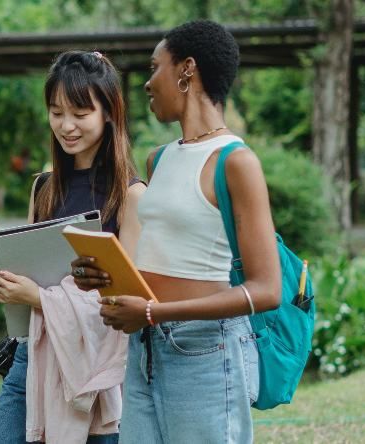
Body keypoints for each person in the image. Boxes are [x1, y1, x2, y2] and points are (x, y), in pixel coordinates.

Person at [70, 20, 282, 444]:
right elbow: (163, 260)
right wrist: (104, 280)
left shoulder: (236, 162)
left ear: (186, 70)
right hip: (146, 347)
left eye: (155, 68)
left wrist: (153, 313)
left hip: (205, 351)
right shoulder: (159, 160)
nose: (148, 83)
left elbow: (266, 290)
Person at [0, 50, 146, 444]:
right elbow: (29, 271)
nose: (66, 125)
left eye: (80, 113)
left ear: (109, 112)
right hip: (33, 360)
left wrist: (42, 300)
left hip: (95, 377)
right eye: (56, 112)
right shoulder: (44, 187)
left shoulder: (131, 195)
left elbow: (128, 303)